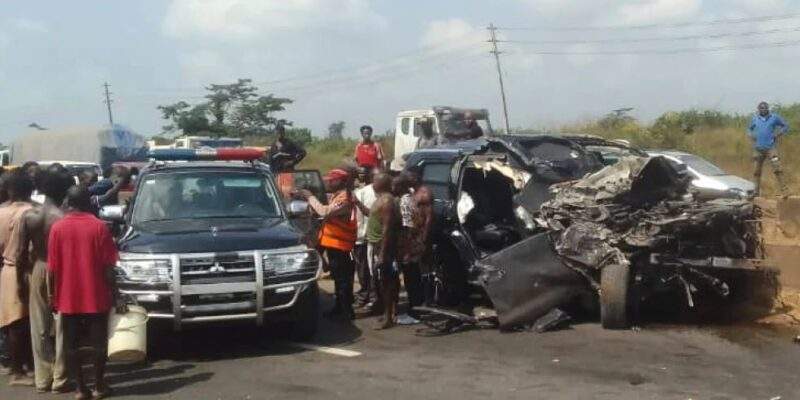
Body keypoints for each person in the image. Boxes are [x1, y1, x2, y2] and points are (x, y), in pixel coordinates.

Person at [48, 186, 122, 399]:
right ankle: (99, 386)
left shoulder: (57, 228)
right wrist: (116, 293)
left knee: (71, 344)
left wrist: (52, 296)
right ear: (88, 203)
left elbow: (52, 269)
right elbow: (109, 267)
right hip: (96, 294)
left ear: (68, 203)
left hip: (67, 295)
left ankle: (80, 388)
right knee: (99, 342)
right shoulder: (99, 227)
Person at [17, 168, 73, 393]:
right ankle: (60, 378)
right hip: (62, 269)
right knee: (63, 325)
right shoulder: (65, 218)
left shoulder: (30, 216)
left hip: (38, 267)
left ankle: (42, 379)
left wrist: (20, 281)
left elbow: (21, 253)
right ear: (63, 190)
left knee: (38, 326)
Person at [296, 168, 357, 320]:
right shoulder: (338, 195)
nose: (328, 183)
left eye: (331, 180)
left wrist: (310, 197)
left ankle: (346, 311)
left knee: (343, 280)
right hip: (334, 243)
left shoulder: (345, 198)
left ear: (340, 181)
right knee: (338, 278)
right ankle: (339, 307)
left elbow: (325, 211)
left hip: (342, 245)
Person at [0, 170, 36, 386]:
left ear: (9, 190)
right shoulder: (34, 212)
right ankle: (22, 369)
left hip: (8, 269)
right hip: (30, 270)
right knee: (28, 322)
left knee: (13, 322)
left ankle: (18, 367)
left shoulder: (1, 213)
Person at [397, 173, 433, 321]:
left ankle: (416, 309)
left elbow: (428, 217)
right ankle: (417, 306)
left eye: (409, 177)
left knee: (413, 276)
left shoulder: (423, 193)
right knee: (412, 275)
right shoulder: (413, 193)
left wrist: (423, 239)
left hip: (415, 241)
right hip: (413, 240)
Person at [366, 173, 400, 329]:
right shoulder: (380, 199)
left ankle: (388, 317)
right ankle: (388, 313)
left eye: (375, 181)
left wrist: (382, 254)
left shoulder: (387, 201)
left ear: (382, 183)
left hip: (384, 246)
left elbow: (387, 229)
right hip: (378, 245)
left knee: (387, 282)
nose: (372, 183)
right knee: (383, 281)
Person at [748, 101, 790, 197]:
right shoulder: (755, 118)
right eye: (761, 108)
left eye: (765, 108)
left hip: (771, 148)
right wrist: (751, 135)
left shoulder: (774, 117)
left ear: (768, 108)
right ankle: (755, 192)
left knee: (777, 168)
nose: (763, 109)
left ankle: (785, 191)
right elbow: (749, 129)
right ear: (758, 109)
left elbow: (786, 126)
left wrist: (778, 134)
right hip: (758, 149)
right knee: (756, 172)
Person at [352, 174, 377, 309]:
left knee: (366, 269)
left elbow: (359, 217)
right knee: (369, 269)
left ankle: (368, 295)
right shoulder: (383, 191)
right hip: (371, 237)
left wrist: (358, 235)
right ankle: (369, 295)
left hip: (364, 237)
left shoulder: (360, 193)